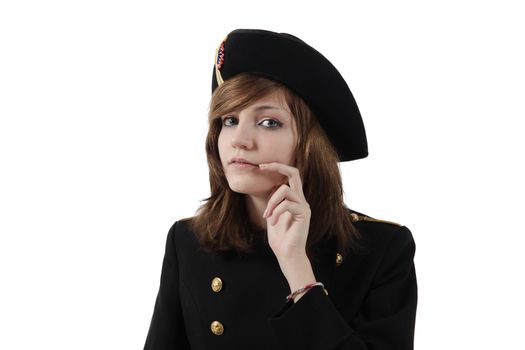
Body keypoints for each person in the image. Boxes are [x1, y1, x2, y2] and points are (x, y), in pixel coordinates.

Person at [144, 29, 417, 350]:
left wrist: (297, 268)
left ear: (309, 145)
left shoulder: (381, 249)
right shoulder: (188, 241)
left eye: (268, 122)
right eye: (229, 120)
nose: (240, 140)